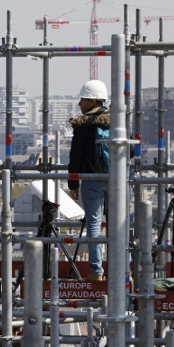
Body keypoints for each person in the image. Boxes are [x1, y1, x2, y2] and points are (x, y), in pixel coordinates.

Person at [67, 79, 111, 281]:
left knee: (94, 224)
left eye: (83, 99)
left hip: (92, 178)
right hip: (116, 178)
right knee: (118, 224)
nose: (79, 104)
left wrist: (73, 184)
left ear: (93, 101)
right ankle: (124, 270)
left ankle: (97, 272)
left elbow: (75, 157)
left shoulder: (83, 125)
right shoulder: (116, 121)